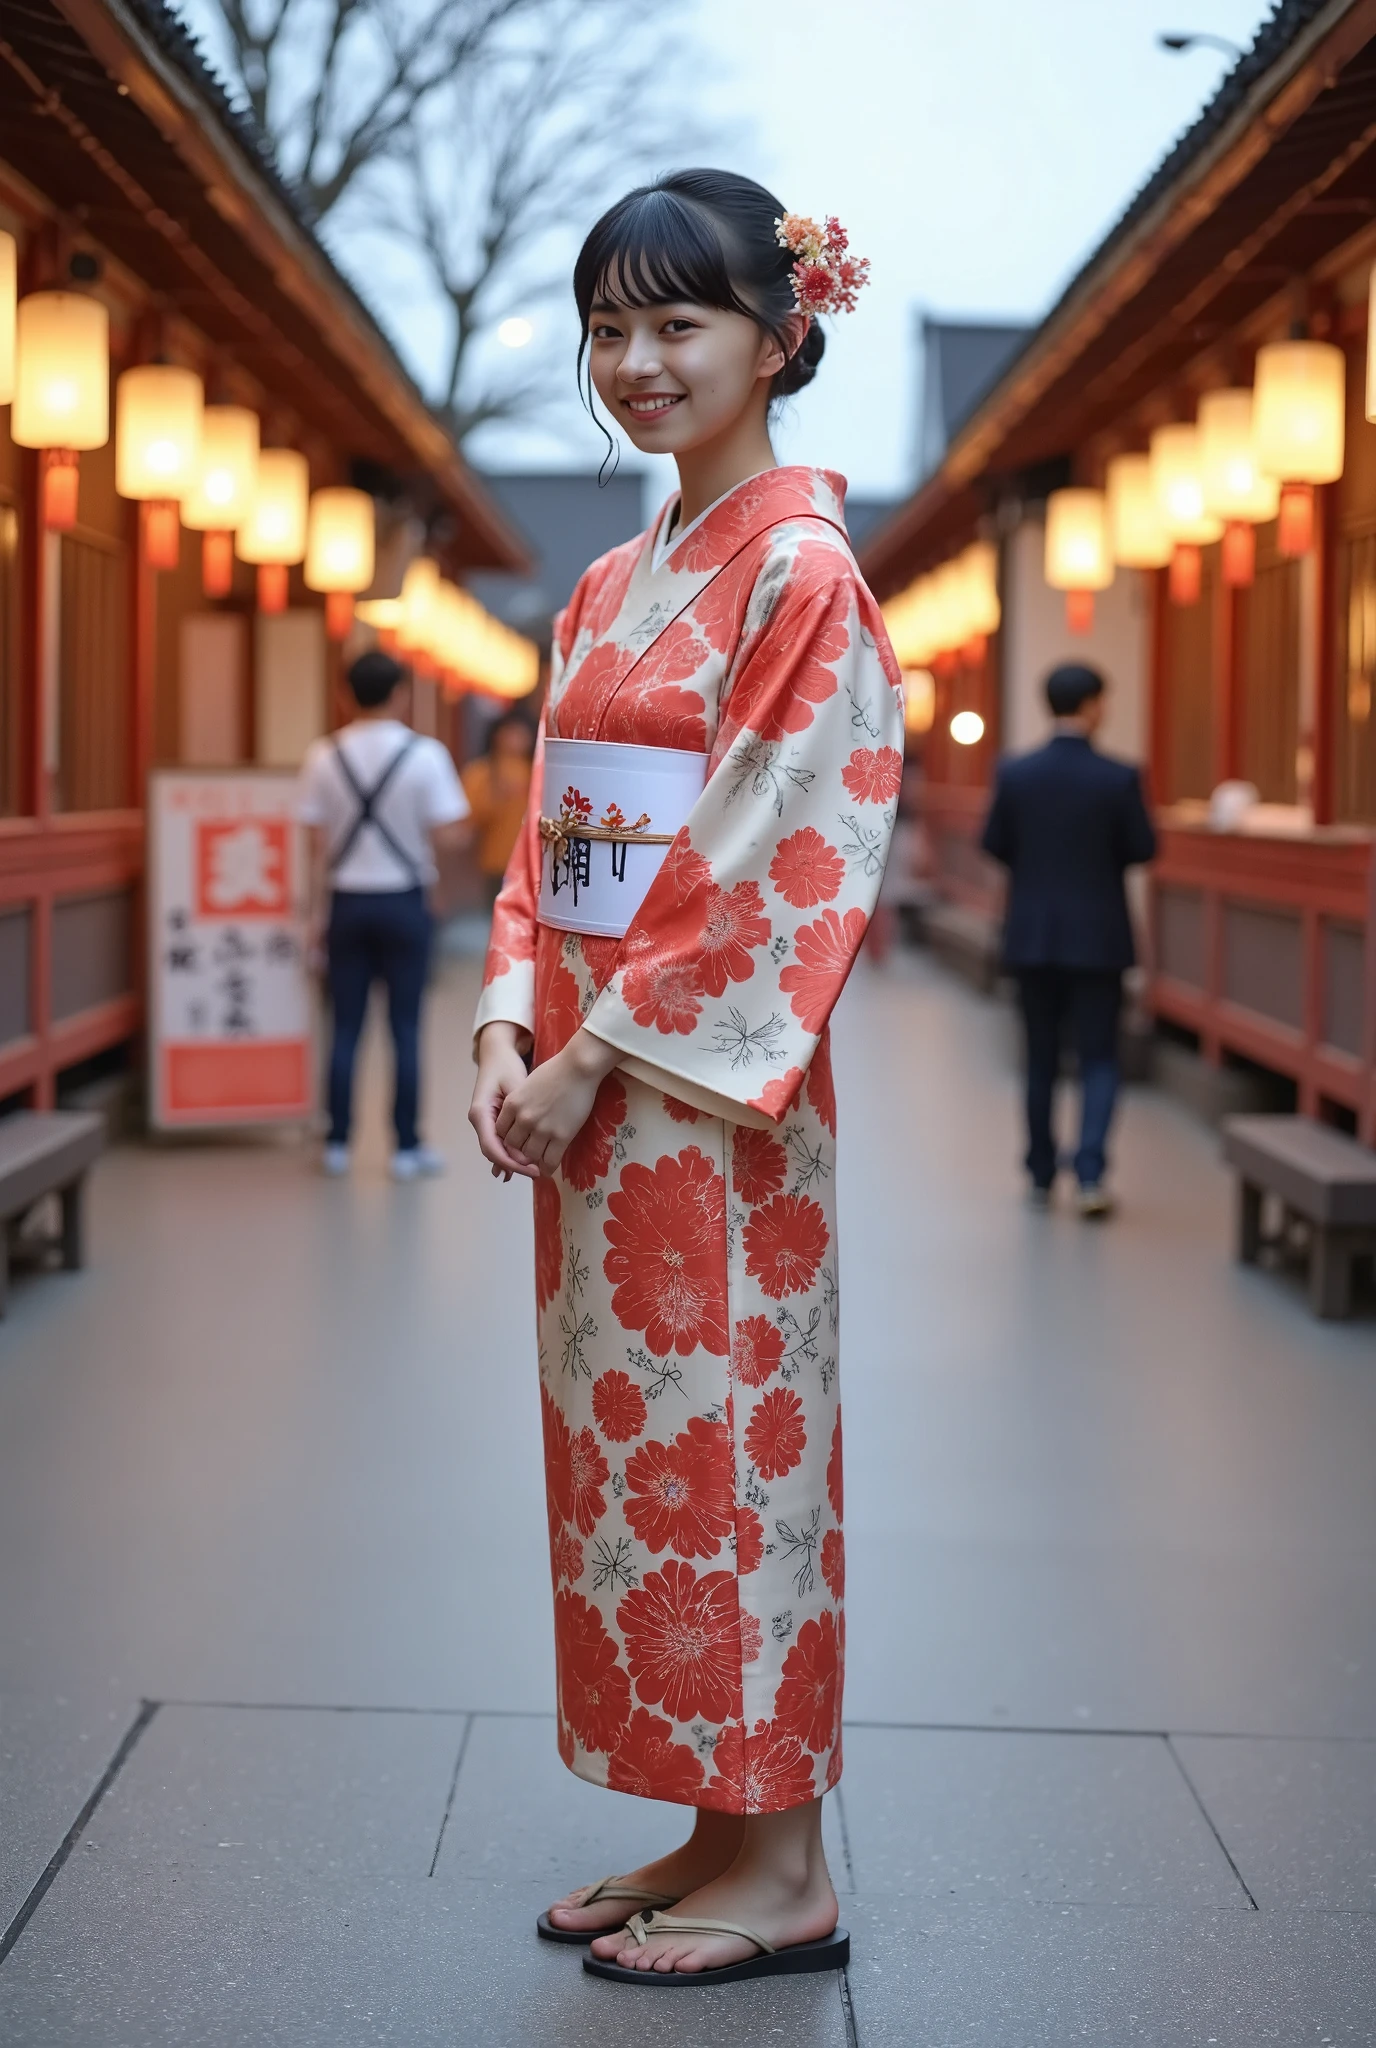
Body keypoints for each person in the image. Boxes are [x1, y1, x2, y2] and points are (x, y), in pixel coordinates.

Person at [468, 171, 900, 1986]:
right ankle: (708, 1819)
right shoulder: (605, 581)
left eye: (679, 324)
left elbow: (769, 855)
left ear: (777, 337)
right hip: (584, 1086)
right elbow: (548, 835)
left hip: (702, 1106)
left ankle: (785, 1858)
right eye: (610, 328)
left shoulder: (801, 576)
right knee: (633, 1467)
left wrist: (584, 1048)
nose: (636, 361)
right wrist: (506, 1012)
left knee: (734, 1453)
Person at [980, 661, 1156, 1217]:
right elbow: (1143, 848)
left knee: (1041, 1058)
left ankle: (1038, 1172)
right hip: (1099, 936)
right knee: (1101, 1057)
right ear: (1091, 705)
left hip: (1032, 935)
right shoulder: (1119, 776)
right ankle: (1090, 1176)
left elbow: (995, 843)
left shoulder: (1016, 772)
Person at [300, 648, 469, 1180]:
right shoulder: (426, 756)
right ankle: (405, 1147)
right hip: (404, 898)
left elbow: (313, 844)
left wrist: (314, 913)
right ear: (399, 693)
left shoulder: (323, 756)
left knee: (345, 1025)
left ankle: (337, 1142)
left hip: (346, 901)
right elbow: (452, 832)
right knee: (405, 1025)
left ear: (346, 694)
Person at [460, 710, 535, 909]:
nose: (515, 739)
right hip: (494, 862)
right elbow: (469, 818)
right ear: (496, 736)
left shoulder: (537, 771)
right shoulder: (480, 773)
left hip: (532, 860)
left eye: (521, 733)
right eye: (510, 732)